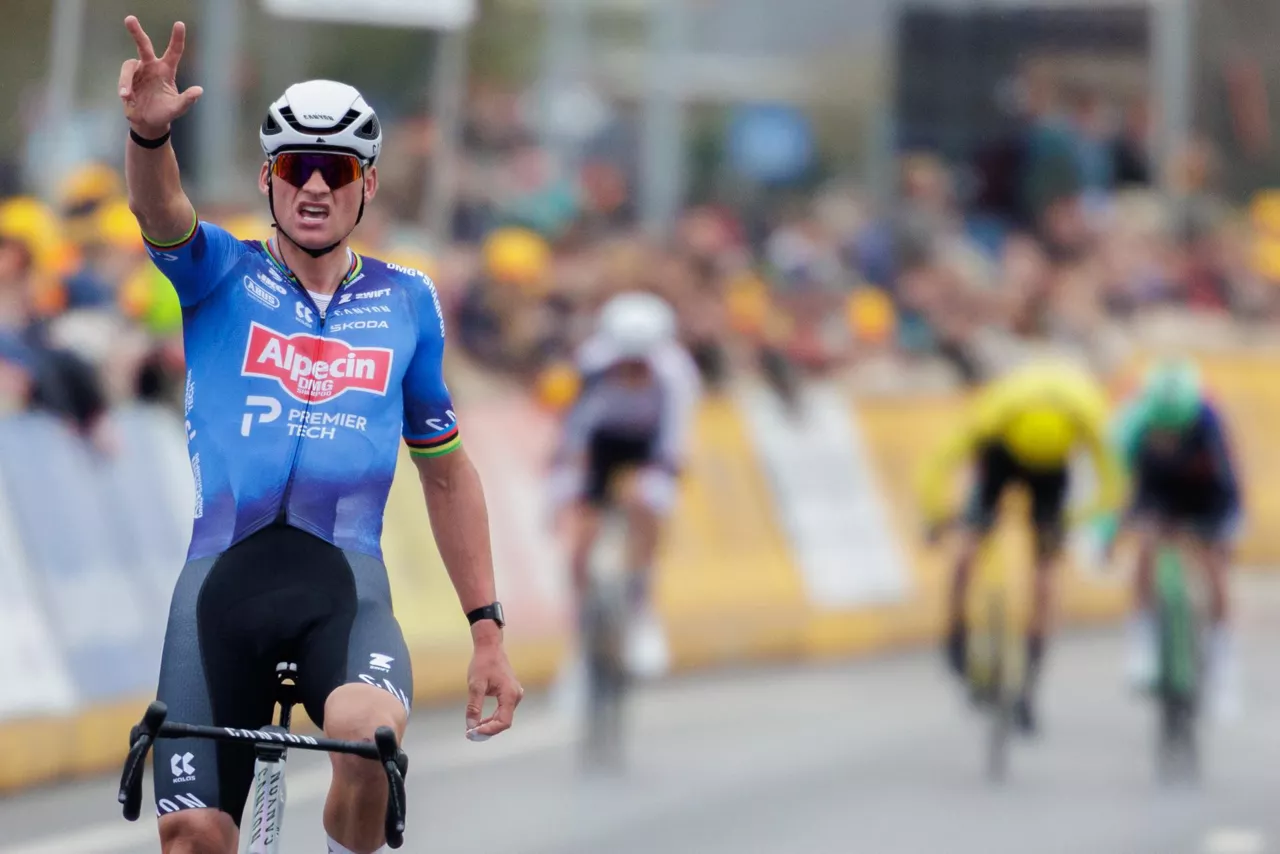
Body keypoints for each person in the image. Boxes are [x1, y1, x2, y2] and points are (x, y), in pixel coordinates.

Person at [118, 16, 522, 854]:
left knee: (369, 741)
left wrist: (488, 629)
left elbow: (446, 475)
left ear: (366, 186)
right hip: (221, 586)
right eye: (295, 168)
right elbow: (160, 211)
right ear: (268, 179)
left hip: (342, 584)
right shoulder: (221, 273)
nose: (313, 188)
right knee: (193, 835)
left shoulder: (409, 302)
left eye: (333, 171)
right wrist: (149, 135)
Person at [918, 358, 1123, 733]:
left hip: (1050, 474)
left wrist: (933, 517)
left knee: (1039, 570)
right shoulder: (998, 413)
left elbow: (1113, 483)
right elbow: (1112, 484)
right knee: (974, 548)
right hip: (1001, 460)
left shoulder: (1085, 413)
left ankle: (1023, 677)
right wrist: (935, 514)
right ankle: (958, 638)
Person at [549, 291, 700, 684]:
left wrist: (665, 472)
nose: (631, 368)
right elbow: (573, 427)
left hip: (648, 446)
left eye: (640, 362)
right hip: (602, 444)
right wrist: (569, 472)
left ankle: (641, 610)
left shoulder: (676, 373)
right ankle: (580, 634)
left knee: (648, 504)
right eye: (624, 360)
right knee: (580, 532)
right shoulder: (591, 364)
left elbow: (676, 437)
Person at [1107, 360, 1242, 721]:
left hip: (1205, 495)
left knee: (1215, 570)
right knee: (1147, 548)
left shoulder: (1210, 424)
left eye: (1174, 430)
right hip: (1157, 491)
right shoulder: (1134, 422)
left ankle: (1222, 670)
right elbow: (1116, 485)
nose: (1167, 436)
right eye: (1161, 430)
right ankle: (1143, 642)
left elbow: (1229, 488)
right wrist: (1111, 532)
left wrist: (1223, 529)